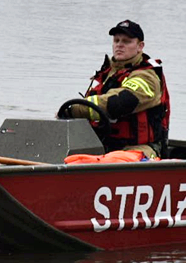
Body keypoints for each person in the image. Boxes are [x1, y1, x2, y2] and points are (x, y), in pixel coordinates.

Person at [61, 19, 170, 159]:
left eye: (126, 41)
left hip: (138, 150)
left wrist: (75, 109)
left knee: (111, 160)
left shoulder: (147, 77)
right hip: (103, 147)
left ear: (140, 46)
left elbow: (118, 103)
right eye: (116, 40)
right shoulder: (107, 74)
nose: (119, 45)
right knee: (67, 155)